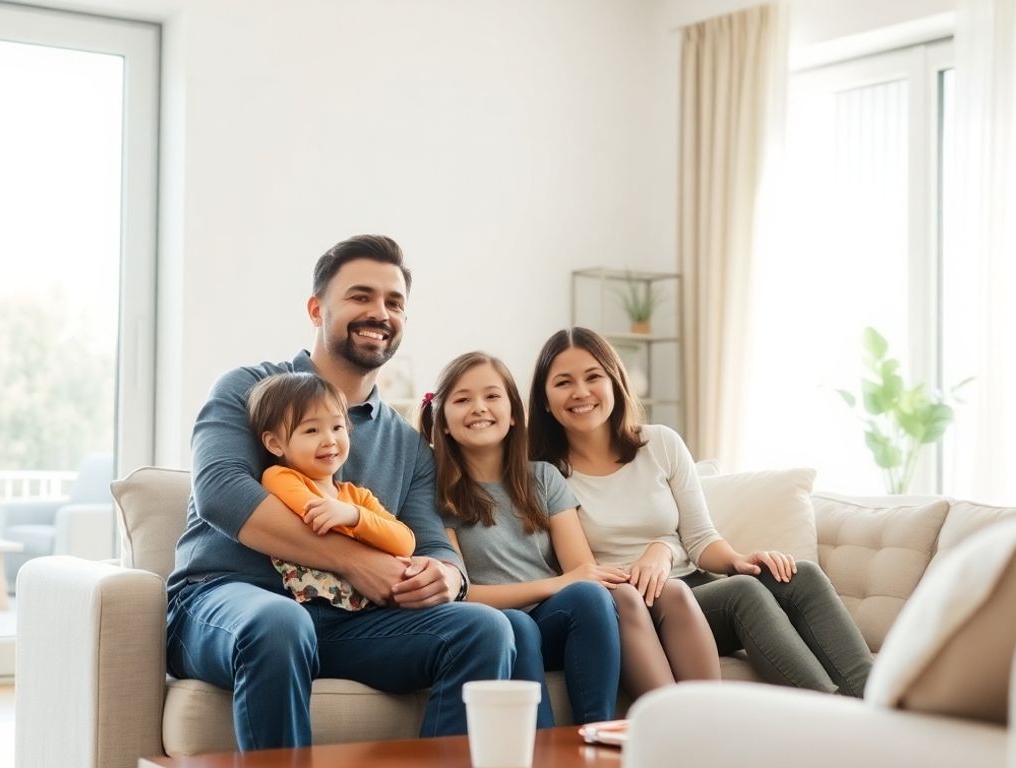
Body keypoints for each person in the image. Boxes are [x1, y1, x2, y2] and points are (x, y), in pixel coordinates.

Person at [166, 235, 514, 751]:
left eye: (394, 302)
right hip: (227, 603)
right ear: (316, 309)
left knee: (484, 630)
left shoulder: (409, 446)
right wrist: (354, 561)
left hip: (349, 624)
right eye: (360, 296)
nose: (380, 313)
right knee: (280, 623)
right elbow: (221, 492)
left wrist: (448, 576)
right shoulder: (248, 389)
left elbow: (429, 541)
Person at [529, 327, 875, 698]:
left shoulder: (660, 443)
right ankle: (831, 713)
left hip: (693, 588)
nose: (581, 392)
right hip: (638, 607)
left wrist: (735, 559)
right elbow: (583, 576)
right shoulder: (546, 476)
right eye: (563, 382)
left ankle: (881, 702)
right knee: (742, 593)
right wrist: (659, 550)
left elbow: (700, 538)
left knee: (800, 574)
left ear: (615, 382)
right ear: (545, 400)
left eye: (593, 376)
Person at [418, 351, 623, 726]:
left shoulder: (543, 478)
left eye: (492, 396)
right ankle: (539, 748)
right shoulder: (437, 494)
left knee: (591, 596)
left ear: (513, 413)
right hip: (492, 629)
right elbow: (464, 593)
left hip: (553, 622)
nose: (479, 408)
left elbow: (582, 572)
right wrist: (558, 583)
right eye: (462, 400)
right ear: (442, 421)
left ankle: (596, 733)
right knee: (518, 623)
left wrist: (568, 583)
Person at [247, 371, 416, 610]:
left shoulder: (357, 498)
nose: (329, 440)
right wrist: (372, 534)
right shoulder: (279, 477)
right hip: (312, 609)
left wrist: (356, 516)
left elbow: (405, 542)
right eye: (311, 430)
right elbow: (316, 517)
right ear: (275, 444)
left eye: (337, 427)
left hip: (366, 612)